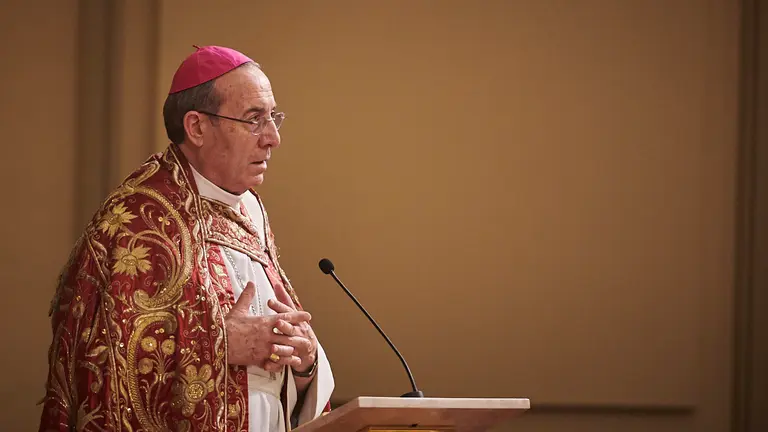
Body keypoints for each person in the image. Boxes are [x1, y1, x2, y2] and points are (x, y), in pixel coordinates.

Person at [38, 45, 334, 432]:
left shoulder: (250, 211)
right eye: (254, 119)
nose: (273, 138)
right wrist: (219, 344)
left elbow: (267, 367)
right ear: (196, 127)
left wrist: (304, 362)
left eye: (274, 117)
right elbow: (100, 364)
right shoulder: (137, 220)